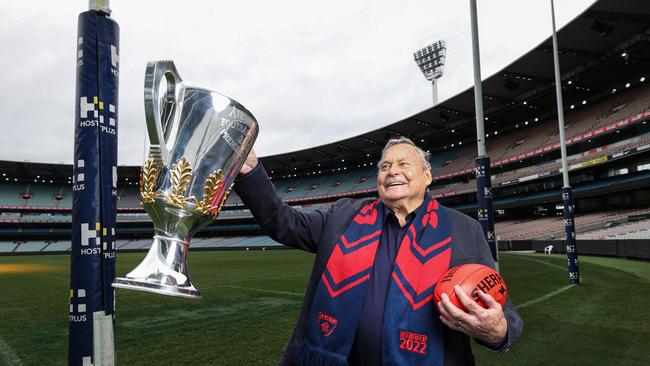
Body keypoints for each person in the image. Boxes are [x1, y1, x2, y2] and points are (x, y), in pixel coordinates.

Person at [235, 137, 523, 366]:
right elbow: (282, 222)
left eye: (403, 164)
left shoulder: (464, 229)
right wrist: (250, 170)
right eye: (384, 166)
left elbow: (503, 313)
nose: (392, 171)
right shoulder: (344, 216)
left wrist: (497, 330)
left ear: (427, 176)